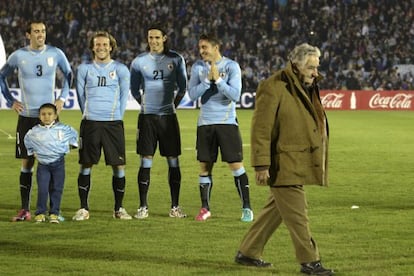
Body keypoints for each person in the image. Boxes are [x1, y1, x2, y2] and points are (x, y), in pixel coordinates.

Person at [234, 43, 334, 275]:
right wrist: (261, 165)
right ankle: (310, 262)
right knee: (298, 215)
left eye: (316, 67)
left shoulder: (305, 85)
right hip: (284, 162)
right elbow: (261, 128)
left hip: (296, 161)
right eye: (310, 67)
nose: (315, 72)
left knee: (275, 211)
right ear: (296, 64)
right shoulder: (274, 86)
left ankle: (248, 252)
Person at [0, 21, 72, 222]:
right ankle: (25, 210)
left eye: (43, 31)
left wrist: (63, 97)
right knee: (27, 164)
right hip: (27, 117)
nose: (40, 34)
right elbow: (1, 76)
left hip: (49, 119)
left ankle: (53, 211)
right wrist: (10, 100)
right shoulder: (18, 56)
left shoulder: (55, 53)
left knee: (52, 164)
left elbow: (69, 74)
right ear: (28, 34)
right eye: (36, 31)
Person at [188, 33, 253, 222]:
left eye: (204, 48)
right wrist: (207, 81)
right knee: (204, 166)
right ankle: (205, 208)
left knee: (236, 165)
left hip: (227, 123)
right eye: (200, 48)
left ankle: (247, 208)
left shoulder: (231, 66)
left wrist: (218, 80)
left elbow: (235, 95)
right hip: (205, 124)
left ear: (216, 48)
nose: (201, 52)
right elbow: (192, 95)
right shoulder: (198, 68)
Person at [130, 22, 187, 219]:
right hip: (147, 118)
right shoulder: (139, 61)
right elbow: (133, 89)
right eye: (150, 37)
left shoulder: (176, 59)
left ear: (164, 38)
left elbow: (183, 87)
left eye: (157, 37)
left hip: (168, 118)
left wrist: (171, 106)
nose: (153, 41)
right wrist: (146, 105)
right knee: (146, 161)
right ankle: (143, 207)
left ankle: (175, 207)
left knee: (173, 161)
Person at [72, 31, 131, 221]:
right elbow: (81, 96)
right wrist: (89, 114)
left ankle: (119, 209)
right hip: (90, 122)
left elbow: (123, 96)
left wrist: (117, 116)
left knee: (118, 165)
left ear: (111, 46)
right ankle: (83, 208)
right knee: (86, 164)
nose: (101, 47)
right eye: (98, 44)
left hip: (113, 123)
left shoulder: (121, 69)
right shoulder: (84, 69)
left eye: (105, 44)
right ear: (92, 47)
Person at [24, 103, 78, 223]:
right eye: (43, 114)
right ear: (39, 116)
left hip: (59, 164)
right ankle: (40, 213)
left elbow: (74, 135)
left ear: (55, 115)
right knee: (43, 189)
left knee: (57, 189)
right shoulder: (34, 131)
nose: (46, 117)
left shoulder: (63, 129)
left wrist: (71, 146)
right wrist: (32, 151)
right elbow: (27, 140)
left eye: (49, 114)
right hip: (43, 165)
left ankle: (54, 213)